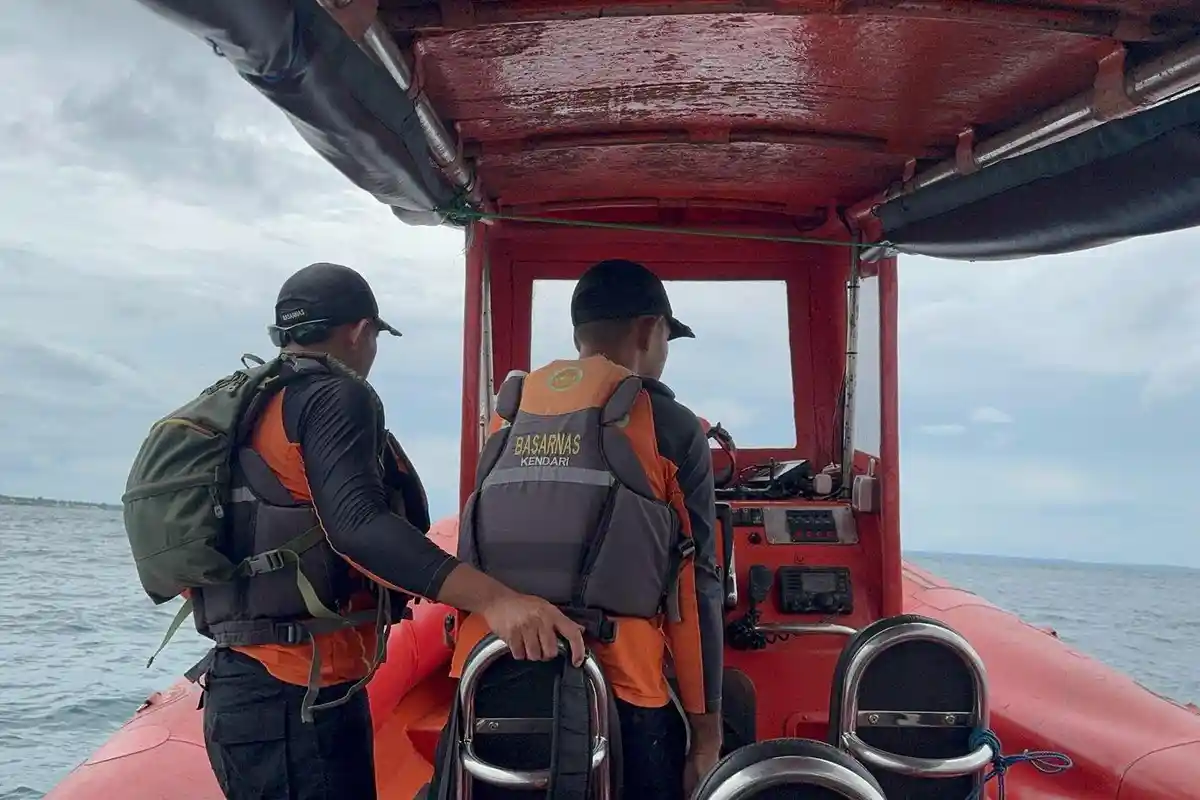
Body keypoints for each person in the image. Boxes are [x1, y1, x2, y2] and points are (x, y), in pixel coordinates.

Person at [193, 263, 586, 800]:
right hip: (294, 697)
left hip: (249, 684)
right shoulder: (336, 396)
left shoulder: (261, 401)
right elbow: (358, 526)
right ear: (359, 331)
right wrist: (496, 598)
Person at [446, 259, 724, 799]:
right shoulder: (668, 424)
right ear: (649, 329)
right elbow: (696, 588)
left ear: (579, 334)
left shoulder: (509, 413)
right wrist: (706, 736)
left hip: (490, 683)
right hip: (618, 693)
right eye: (667, 336)